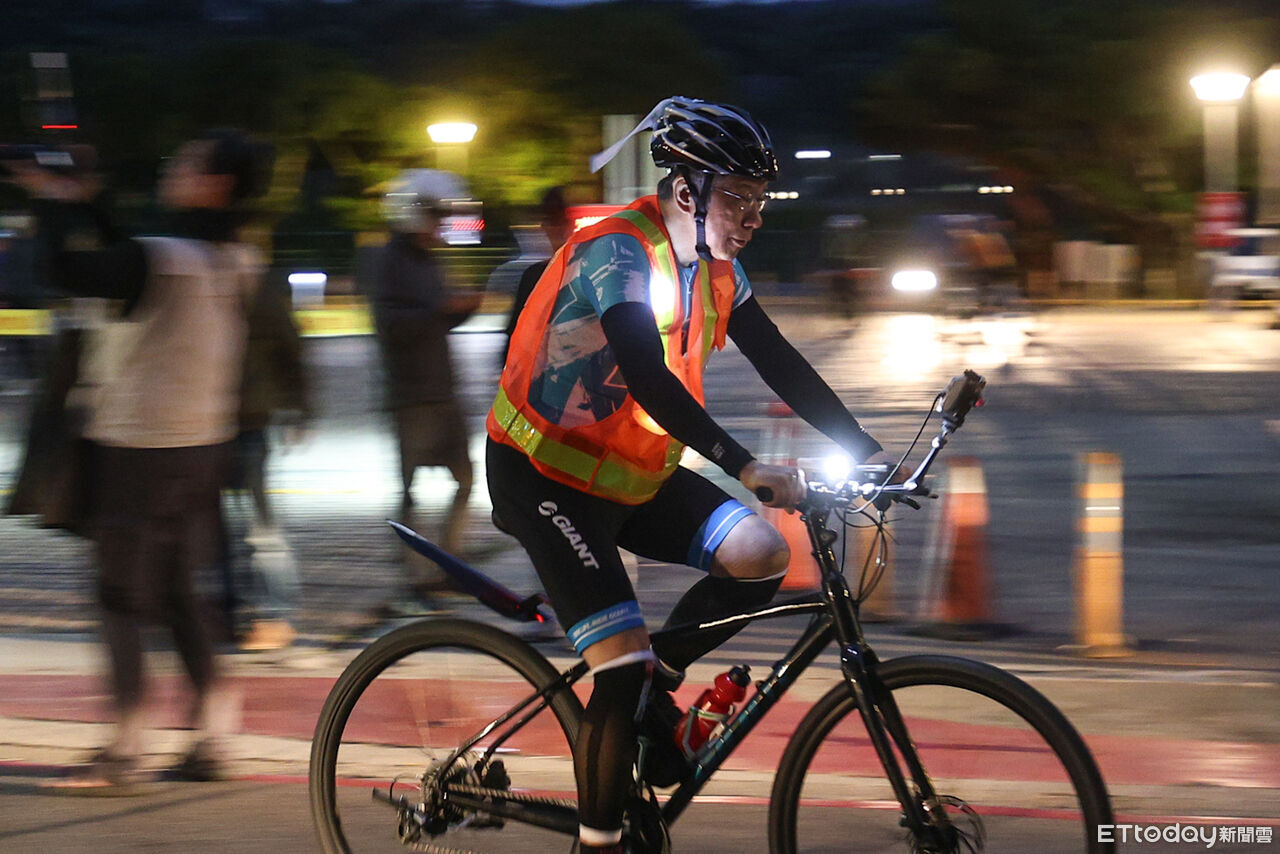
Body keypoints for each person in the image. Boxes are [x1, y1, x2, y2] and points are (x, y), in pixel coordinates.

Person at [486, 97, 906, 853]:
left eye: (760, 201)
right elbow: (647, 373)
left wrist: (871, 451)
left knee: (761, 558)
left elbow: (777, 355)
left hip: (631, 473)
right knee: (618, 668)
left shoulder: (718, 270)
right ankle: (598, 840)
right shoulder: (616, 252)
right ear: (687, 191)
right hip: (545, 478)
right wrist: (745, 465)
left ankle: (657, 692)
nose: (752, 217)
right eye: (737, 198)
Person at [4, 129, 274, 791]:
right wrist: (84, 201)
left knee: (120, 594)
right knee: (182, 591)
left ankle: (127, 744)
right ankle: (214, 734)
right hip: (203, 445)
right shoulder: (234, 254)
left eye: (185, 162)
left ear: (216, 183)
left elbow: (70, 271)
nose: (172, 166)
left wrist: (53, 200)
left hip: (140, 447)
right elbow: (126, 255)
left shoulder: (164, 257)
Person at [371, 169, 481, 601]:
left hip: (442, 389)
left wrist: (459, 309)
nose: (440, 226)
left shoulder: (429, 260)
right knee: (411, 489)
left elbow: (437, 313)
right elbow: (390, 324)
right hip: (411, 395)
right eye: (435, 216)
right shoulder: (388, 261)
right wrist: (440, 310)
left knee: (465, 479)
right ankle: (416, 574)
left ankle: (449, 561)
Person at [221, 269, 312, 651]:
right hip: (204, 422)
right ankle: (232, 612)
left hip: (245, 420)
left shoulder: (253, 283)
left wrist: (300, 407)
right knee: (221, 528)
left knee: (261, 527)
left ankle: (275, 615)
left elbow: (290, 346)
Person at [501, 185, 572, 361]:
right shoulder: (592, 273)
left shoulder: (535, 277)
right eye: (553, 221)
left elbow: (515, 335)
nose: (557, 229)